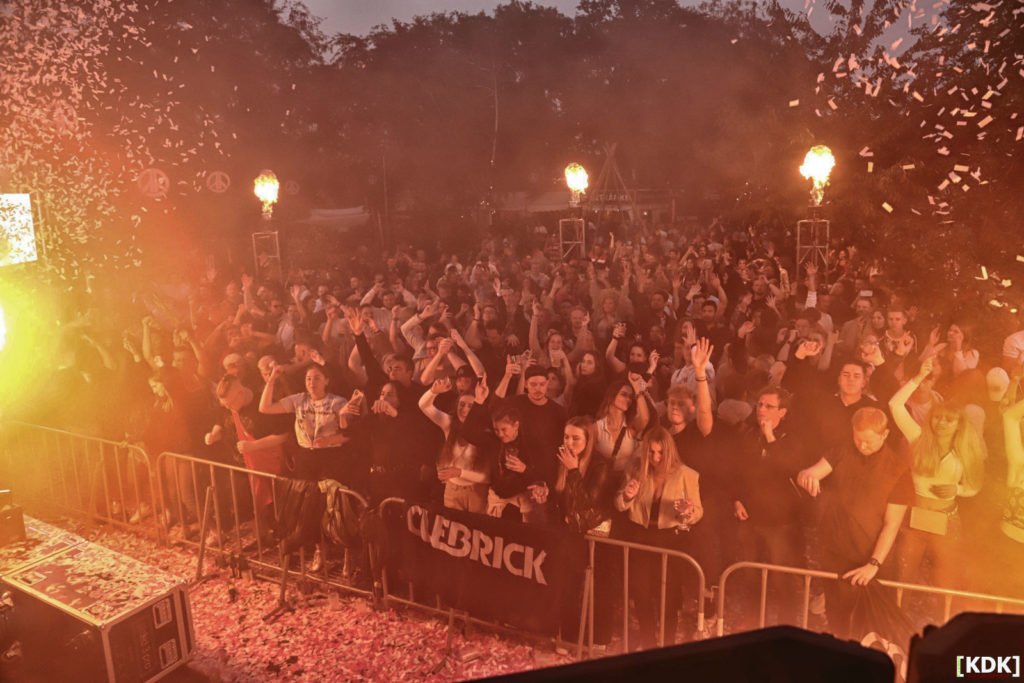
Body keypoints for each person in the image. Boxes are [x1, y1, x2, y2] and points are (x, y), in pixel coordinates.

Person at [797, 407, 914, 643]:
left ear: (885, 434)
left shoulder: (899, 471)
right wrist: (806, 476)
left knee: (872, 631)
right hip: (838, 553)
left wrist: (873, 564)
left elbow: (892, 524)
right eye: (858, 439)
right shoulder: (841, 452)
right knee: (839, 621)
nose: (862, 446)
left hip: (874, 560)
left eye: (868, 441)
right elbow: (811, 472)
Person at [888, 356, 985, 591]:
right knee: (904, 574)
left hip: (947, 519)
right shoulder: (918, 438)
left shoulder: (965, 451)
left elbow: (975, 486)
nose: (941, 423)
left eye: (949, 420)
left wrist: (958, 489)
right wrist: (918, 377)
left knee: (946, 578)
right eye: (938, 417)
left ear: (958, 425)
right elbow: (894, 405)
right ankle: (898, 622)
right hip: (917, 516)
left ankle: (948, 623)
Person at [616, 427, 703, 648]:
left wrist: (688, 511)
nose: (655, 458)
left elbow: (698, 512)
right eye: (651, 452)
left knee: (669, 597)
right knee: (642, 593)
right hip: (641, 536)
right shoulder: (636, 470)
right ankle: (647, 641)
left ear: (669, 451)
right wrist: (627, 496)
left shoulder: (687, 474)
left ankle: (667, 644)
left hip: (670, 540)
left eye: (660, 453)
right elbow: (618, 504)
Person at [206, 373, 288, 546]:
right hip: (241, 463)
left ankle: (284, 542)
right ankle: (262, 535)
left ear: (241, 394)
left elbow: (283, 436)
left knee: (275, 505)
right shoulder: (227, 404)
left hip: (268, 462)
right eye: (225, 404)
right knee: (249, 503)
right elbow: (220, 422)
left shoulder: (264, 403)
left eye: (230, 404)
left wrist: (254, 446)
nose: (228, 408)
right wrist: (214, 434)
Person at [418, 378, 490, 513]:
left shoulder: (485, 431)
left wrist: (459, 472)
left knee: (477, 531)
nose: (464, 409)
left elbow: (487, 478)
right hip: (452, 490)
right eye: (461, 404)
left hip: (477, 493)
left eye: (470, 406)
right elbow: (424, 405)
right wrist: (434, 391)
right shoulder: (450, 424)